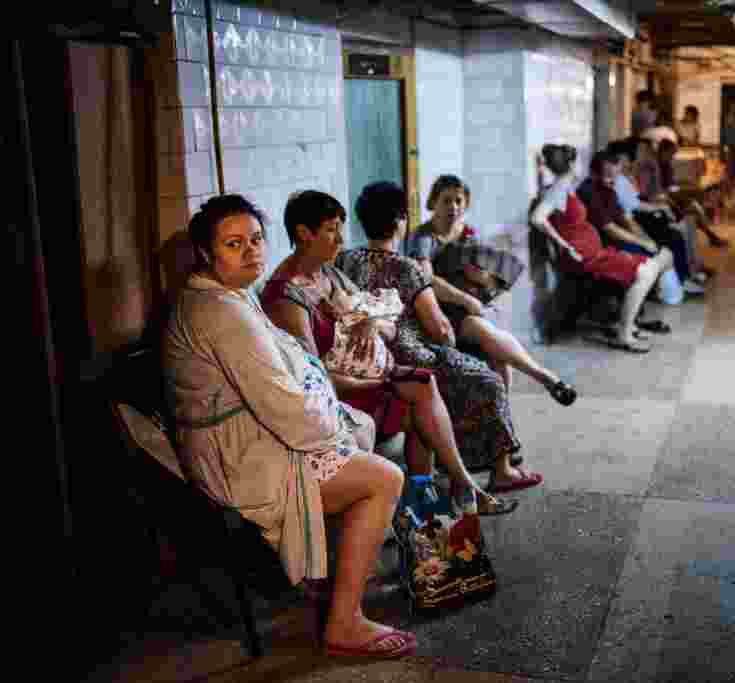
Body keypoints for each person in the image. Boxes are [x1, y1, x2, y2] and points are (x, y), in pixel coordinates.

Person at [163, 194, 418, 659]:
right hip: (238, 459)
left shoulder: (226, 293)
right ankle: (345, 622)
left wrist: (333, 417)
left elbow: (285, 372)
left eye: (256, 239)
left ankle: (323, 576)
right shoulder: (220, 311)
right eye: (234, 244)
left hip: (245, 435)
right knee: (384, 477)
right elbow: (283, 408)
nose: (252, 252)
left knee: (357, 425)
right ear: (205, 252)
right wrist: (332, 428)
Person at [261, 190, 517, 515]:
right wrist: (373, 381)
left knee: (424, 387)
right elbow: (313, 379)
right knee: (423, 395)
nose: (340, 238)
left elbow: (384, 321)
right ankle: (455, 491)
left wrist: (369, 323)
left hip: (367, 376)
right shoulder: (286, 295)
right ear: (303, 233)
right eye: (331, 229)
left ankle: (442, 493)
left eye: (341, 227)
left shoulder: (329, 272)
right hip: (340, 393)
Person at [338, 182, 542, 494]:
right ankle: (502, 470)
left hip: (369, 359)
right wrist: (450, 344)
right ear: (400, 221)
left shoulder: (345, 261)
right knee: (489, 380)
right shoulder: (406, 268)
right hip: (410, 357)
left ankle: (450, 468)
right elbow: (439, 329)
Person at [405, 175, 577, 405]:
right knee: (483, 331)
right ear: (433, 202)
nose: (453, 207)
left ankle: (500, 413)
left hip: (474, 306)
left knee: (500, 358)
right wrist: (466, 299)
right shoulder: (423, 237)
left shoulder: (469, 234)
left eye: (459, 201)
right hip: (438, 310)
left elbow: (488, 280)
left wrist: (484, 278)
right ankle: (545, 377)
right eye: (446, 200)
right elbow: (426, 279)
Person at [529, 143, 674, 353]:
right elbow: (538, 218)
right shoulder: (559, 189)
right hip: (584, 257)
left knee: (649, 267)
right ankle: (624, 334)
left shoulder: (563, 186)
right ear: (571, 164)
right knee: (646, 271)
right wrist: (564, 245)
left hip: (592, 252)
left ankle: (628, 326)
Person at [577, 150, 704, 298]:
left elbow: (627, 219)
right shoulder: (590, 192)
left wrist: (645, 239)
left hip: (619, 237)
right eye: (608, 177)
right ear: (594, 173)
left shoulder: (609, 189)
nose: (613, 182)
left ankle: (674, 285)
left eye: (615, 177)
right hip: (605, 244)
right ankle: (663, 290)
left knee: (660, 247)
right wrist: (642, 242)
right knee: (654, 255)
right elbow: (610, 229)